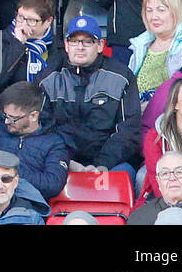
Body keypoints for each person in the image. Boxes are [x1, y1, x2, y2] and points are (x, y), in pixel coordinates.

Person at [38, 15, 142, 173]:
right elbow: (42, 126)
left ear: (100, 45)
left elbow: (128, 130)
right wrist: (66, 161)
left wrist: (102, 164)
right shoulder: (49, 78)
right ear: (66, 45)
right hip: (61, 160)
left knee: (124, 174)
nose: (80, 47)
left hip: (109, 162)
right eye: (74, 41)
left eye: (88, 41)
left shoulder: (121, 77)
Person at [0, 0, 62, 117]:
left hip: (41, 113)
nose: (24, 24)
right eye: (20, 17)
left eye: (32, 21)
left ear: (48, 21)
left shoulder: (58, 49)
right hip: (0, 112)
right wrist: (17, 45)